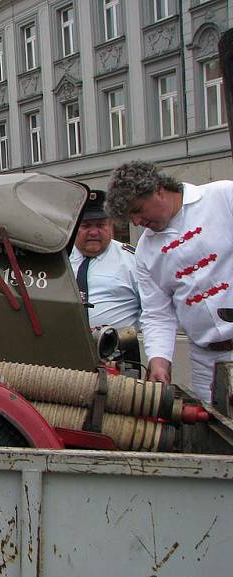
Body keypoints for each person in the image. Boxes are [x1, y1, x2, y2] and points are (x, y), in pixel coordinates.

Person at [105, 160, 233, 403]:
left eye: (138, 209)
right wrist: (159, 361)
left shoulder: (222, 197)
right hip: (206, 359)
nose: (136, 222)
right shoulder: (145, 251)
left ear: (159, 191)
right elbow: (157, 313)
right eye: (129, 216)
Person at [70, 190, 141, 332]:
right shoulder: (59, 260)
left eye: (100, 225)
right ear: (74, 227)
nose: (94, 232)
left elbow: (153, 311)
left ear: (111, 225)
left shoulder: (133, 260)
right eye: (86, 225)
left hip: (118, 350)